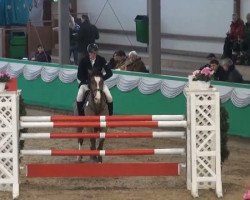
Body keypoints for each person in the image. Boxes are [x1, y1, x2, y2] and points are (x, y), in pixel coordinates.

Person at [76, 43, 113, 115]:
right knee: (79, 96)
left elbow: (110, 73)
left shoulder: (102, 59)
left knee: (109, 97)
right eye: (92, 52)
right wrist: (87, 81)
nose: (93, 54)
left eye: (95, 52)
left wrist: (101, 80)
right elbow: (79, 75)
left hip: (98, 84)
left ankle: (110, 117)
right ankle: (81, 117)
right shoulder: (83, 60)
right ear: (89, 52)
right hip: (86, 84)